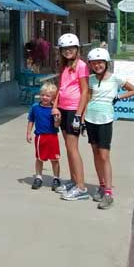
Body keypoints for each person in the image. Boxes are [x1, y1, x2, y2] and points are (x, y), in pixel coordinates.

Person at [85, 48, 134, 210]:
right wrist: (80, 119)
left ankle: (108, 193)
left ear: (106, 63)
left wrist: (118, 97)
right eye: (94, 63)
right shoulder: (91, 79)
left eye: (100, 62)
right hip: (90, 119)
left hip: (105, 120)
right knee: (95, 154)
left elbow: (133, 89)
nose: (97, 65)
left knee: (104, 156)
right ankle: (101, 186)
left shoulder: (115, 79)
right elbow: (87, 97)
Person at [51, 33, 90, 201]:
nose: (68, 51)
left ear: (77, 49)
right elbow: (60, 88)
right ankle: (74, 181)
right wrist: (55, 107)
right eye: (64, 49)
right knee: (68, 147)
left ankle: (81, 187)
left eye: (71, 48)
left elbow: (85, 92)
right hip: (63, 109)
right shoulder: (64, 66)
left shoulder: (81, 66)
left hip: (74, 110)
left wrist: (79, 115)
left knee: (73, 149)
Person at [26, 83, 62, 191]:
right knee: (39, 158)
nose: (44, 97)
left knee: (54, 159)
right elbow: (31, 120)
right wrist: (28, 133)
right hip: (40, 137)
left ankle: (56, 178)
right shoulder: (35, 107)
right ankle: (38, 177)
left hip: (52, 137)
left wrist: (57, 119)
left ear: (53, 97)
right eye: (42, 95)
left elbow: (56, 125)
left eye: (48, 95)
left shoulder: (55, 109)